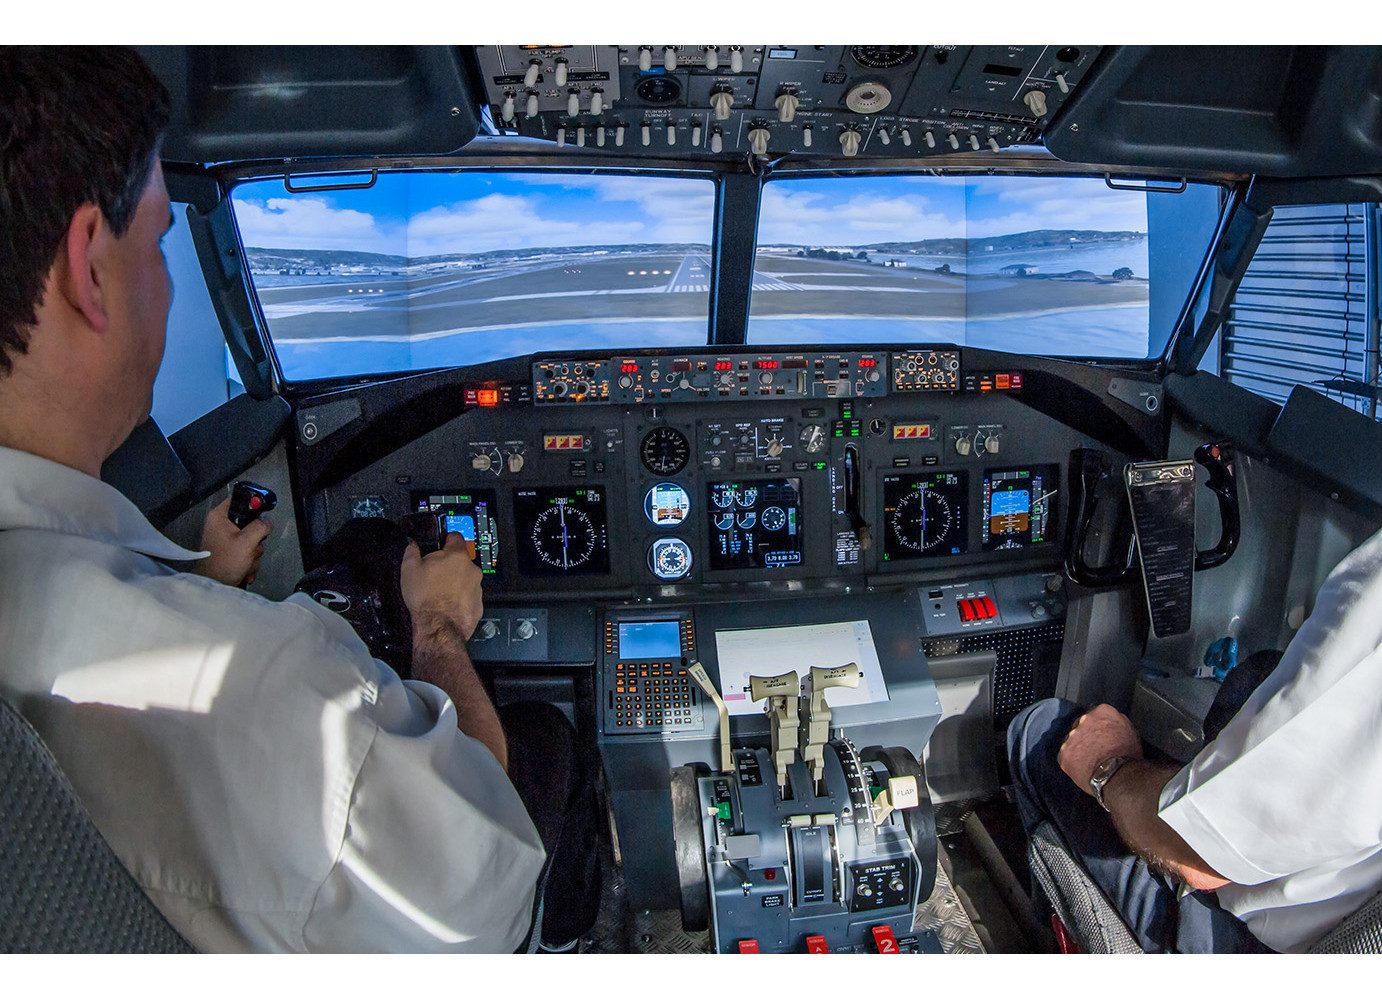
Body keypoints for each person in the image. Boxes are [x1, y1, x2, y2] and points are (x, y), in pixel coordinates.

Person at [0, 46, 586, 952]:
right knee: (545, 733)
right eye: (159, 241)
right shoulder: (279, 691)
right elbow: (487, 900)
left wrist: (211, 586)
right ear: (89, 268)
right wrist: (436, 629)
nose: (163, 273)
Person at [1009, 526, 1382, 953]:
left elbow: (1200, 858)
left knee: (1040, 731)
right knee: (1255, 674)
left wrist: (1108, 767)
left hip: (1251, 942)